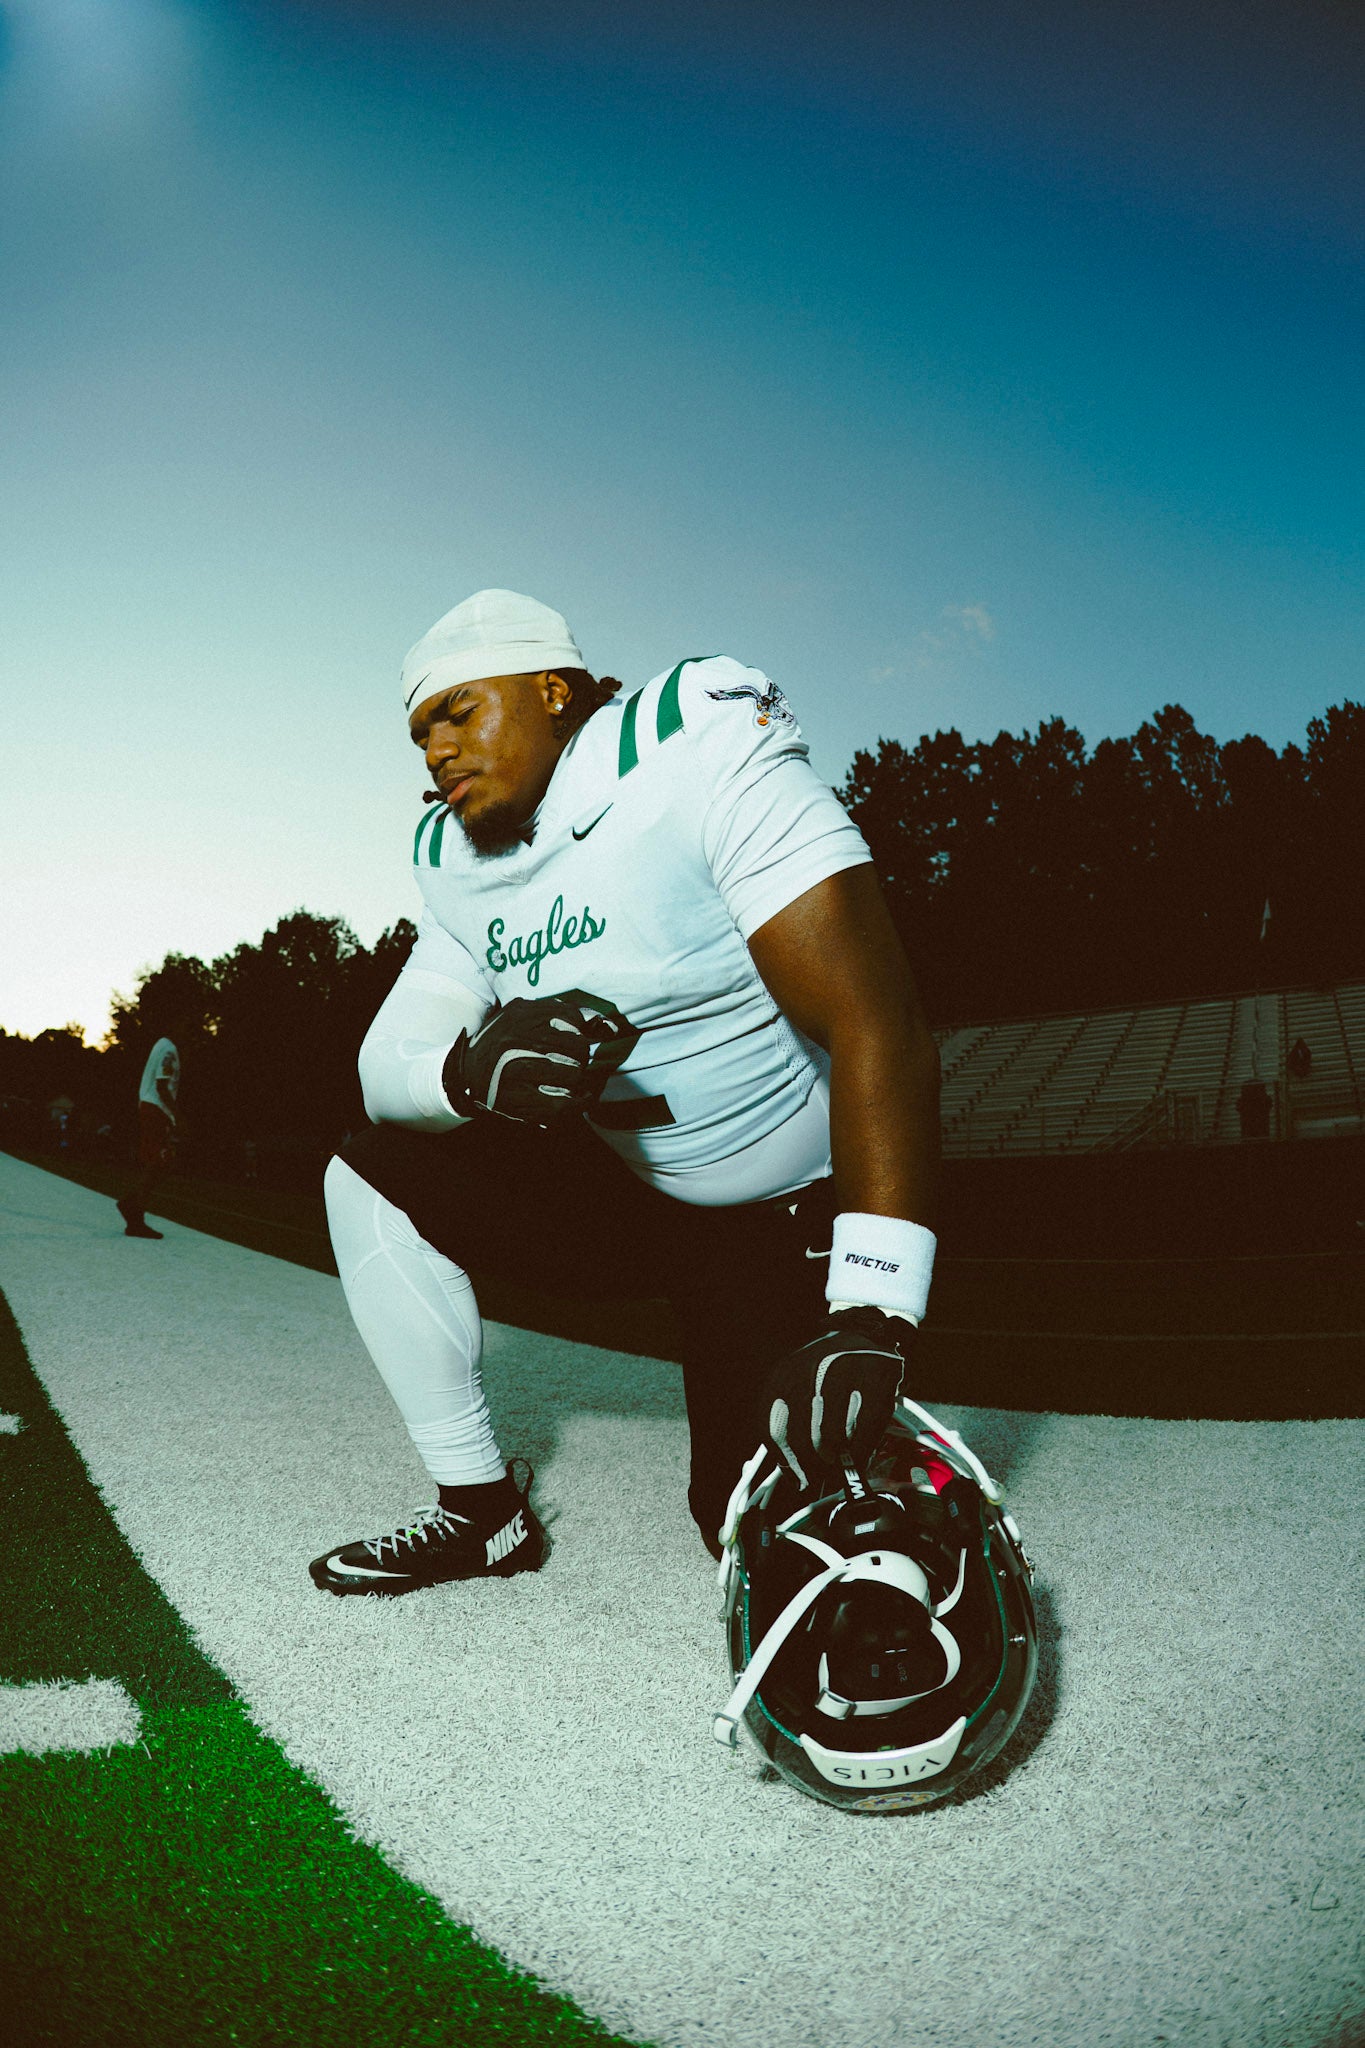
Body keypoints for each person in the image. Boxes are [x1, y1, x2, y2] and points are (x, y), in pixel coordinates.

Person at [310, 588, 940, 1596]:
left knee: (757, 1534)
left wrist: (874, 1309)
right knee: (370, 1170)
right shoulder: (460, 858)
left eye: (459, 711)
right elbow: (385, 1067)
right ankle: (480, 1513)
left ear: (554, 690)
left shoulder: (686, 745)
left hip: (785, 1209)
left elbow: (878, 1017)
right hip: (629, 1191)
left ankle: (885, 1460)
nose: (436, 751)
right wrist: (465, 1075)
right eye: (420, 733)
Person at [117, 1029, 180, 1239]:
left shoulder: (161, 1044)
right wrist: (177, 1116)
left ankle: (132, 1206)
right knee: (158, 1163)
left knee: (159, 1163)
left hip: (152, 1108)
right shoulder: (169, 1049)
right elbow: (162, 1085)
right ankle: (134, 1213)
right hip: (157, 1109)